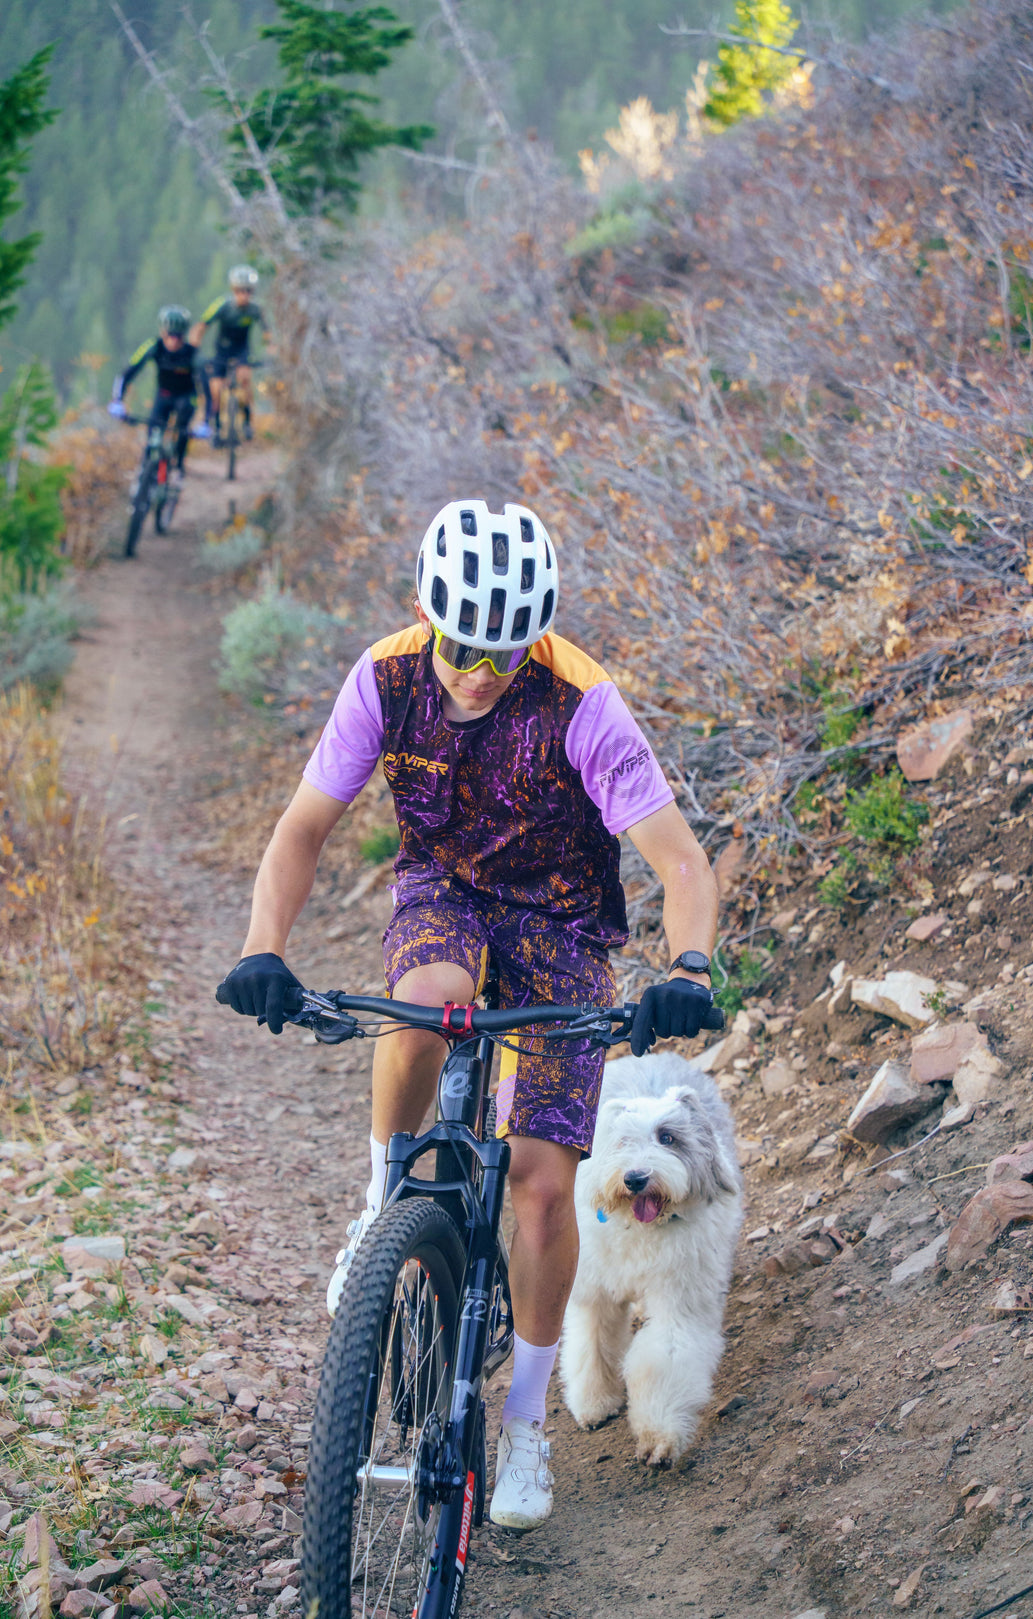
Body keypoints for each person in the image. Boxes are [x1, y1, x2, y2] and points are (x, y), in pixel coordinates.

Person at [217, 499, 720, 1532]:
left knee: (539, 1186)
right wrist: (263, 946)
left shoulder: (583, 699)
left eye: (504, 647)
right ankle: (382, 1192)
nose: (480, 669)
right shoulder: (385, 676)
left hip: (564, 922)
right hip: (442, 893)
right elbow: (304, 827)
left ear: (533, 634)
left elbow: (678, 857)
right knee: (426, 1006)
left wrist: (691, 963)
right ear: (421, 612)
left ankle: (526, 1426)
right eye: (461, 643)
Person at [109, 306, 208, 474]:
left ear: (184, 336)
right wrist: (117, 400)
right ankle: (145, 474)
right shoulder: (153, 346)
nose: (173, 341)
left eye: (178, 336)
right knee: (153, 434)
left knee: (182, 428)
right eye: (170, 335)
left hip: (186, 396)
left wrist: (206, 421)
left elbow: (206, 387)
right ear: (163, 332)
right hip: (164, 394)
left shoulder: (193, 354)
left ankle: (178, 468)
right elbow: (128, 372)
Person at [190, 264, 269, 445]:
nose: (245, 295)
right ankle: (216, 428)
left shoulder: (255, 309)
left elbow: (266, 331)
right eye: (240, 291)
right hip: (222, 350)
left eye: (248, 291)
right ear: (234, 290)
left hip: (242, 350)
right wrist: (195, 345)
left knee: (245, 378)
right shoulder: (223, 305)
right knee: (216, 389)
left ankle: (248, 422)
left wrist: (269, 347)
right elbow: (202, 325)